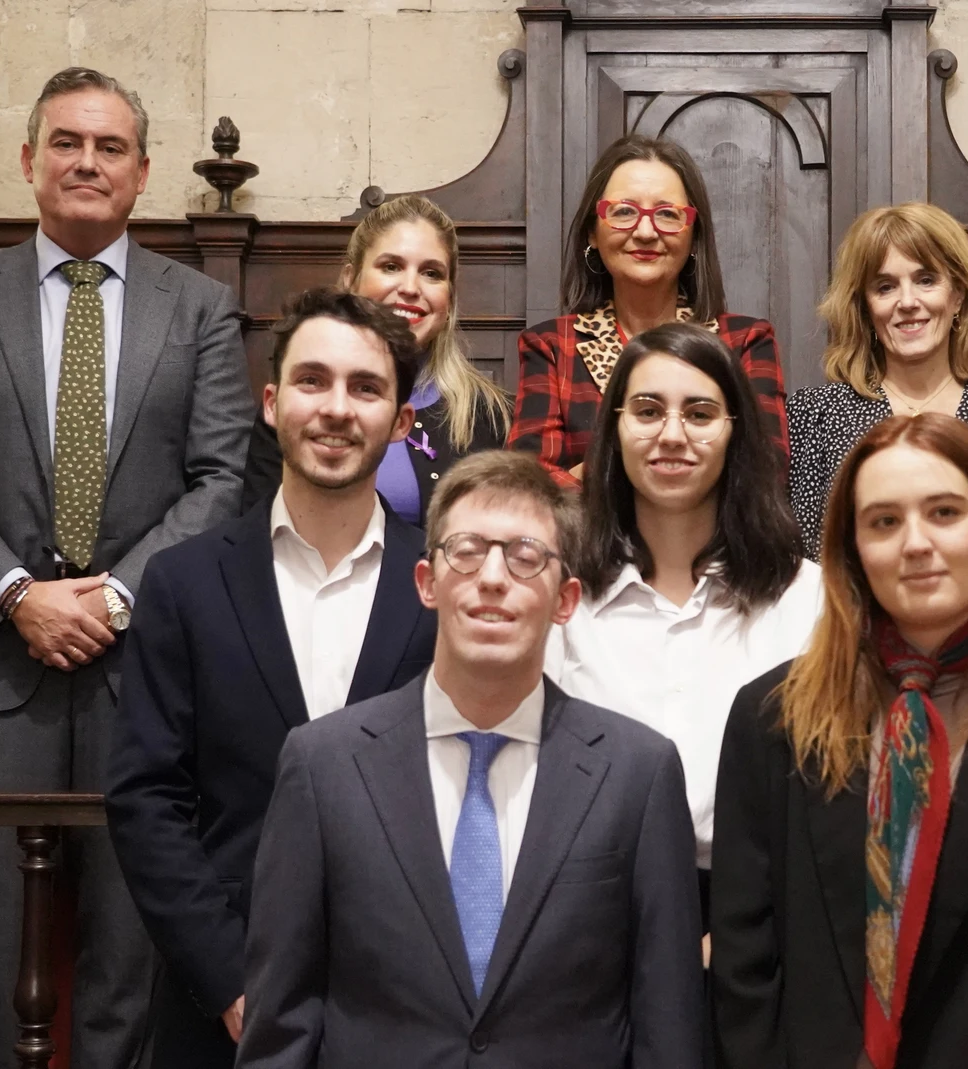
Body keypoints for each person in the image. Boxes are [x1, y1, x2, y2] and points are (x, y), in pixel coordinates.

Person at [0, 67, 253, 1069]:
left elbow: (222, 479)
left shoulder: (204, 309)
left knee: (129, 958)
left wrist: (113, 596)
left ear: (142, 173)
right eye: (66, 143)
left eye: (109, 147)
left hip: (146, 678)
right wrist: (19, 595)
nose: (86, 162)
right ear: (28, 161)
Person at [237, 450, 707, 1069]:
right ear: (428, 582)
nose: (492, 577)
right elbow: (281, 1024)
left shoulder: (637, 773)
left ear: (566, 599)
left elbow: (666, 1026)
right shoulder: (324, 766)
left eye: (525, 556)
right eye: (466, 551)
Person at [711, 414, 968, 1069]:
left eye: (944, 511)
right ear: (851, 549)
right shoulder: (771, 721)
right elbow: (743, 960)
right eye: (883, 521)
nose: (916, 543)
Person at [106, 289, 439, 1068]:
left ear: (401, 423)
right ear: (270, 401)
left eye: (366, 388)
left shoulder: (448, 582)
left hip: (409, 1004)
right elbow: (147, 798)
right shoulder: (184, 582)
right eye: (312, 380)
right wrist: (229, 980)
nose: (336, 408)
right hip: (220, 1002)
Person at [549, 321, 821, 913]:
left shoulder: (808, 597)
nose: (672, 434)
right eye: (647, 411)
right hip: (589, 910)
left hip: (764, 913)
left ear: (735, 434)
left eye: (699, 414)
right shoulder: (558, 597)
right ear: (615, 428)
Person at [508, 134, 787, 485]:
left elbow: (764, 475)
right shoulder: (550, 346)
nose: (644, 231)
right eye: (624, 211)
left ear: (693, 235)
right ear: (592, 233)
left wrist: (591, 476)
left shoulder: (745, 342)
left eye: (667, 214)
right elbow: (527, 485)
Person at [243, 195, 509, 517]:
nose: (410, 287)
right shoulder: (300, 400)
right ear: (350, 279)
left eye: (432, 273)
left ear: (450, 297)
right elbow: (258, 532)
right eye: (391, 266)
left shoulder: (491, 413)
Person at [787, 202, 968, 556]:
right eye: (885, 287)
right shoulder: (815, 414)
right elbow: (803, 558)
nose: (907, 301)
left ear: (958, 295)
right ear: (865, 309)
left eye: (926, 280)